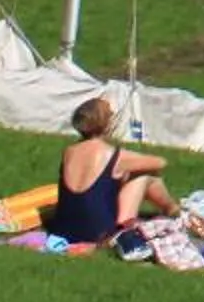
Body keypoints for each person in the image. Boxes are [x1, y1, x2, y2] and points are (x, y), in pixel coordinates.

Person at [48, 97, 182, 245]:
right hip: (100, 234)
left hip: (64, 230)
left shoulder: (69, 152)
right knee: (145, 175)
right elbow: (160, 162)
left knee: (116, 176)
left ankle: (172, 210)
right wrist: (128, 168)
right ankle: (171, 210)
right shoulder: (112, 154)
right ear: (106, 123)